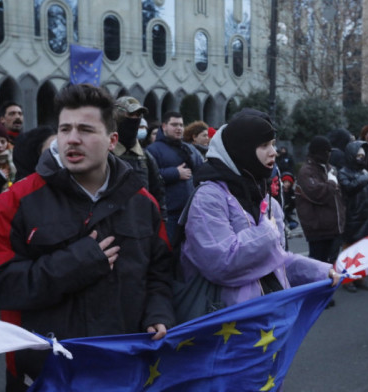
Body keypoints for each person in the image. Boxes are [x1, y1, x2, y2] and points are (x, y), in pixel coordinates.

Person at [0, 84, 174, 391]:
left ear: (112, 140)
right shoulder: (14, 202)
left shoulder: (142, 203)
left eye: (85, 129)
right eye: (65, 128)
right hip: (44, 375)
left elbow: (160, 274)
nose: (72, 138)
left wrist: (158, 313)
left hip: (122, 371)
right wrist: (76, 263)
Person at [180, 112, 340, 308]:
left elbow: (277, 259)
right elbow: (221, 263)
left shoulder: (264, 197)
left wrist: (320, 273)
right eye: (264, 145)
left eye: (272, 143)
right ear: (242, 150)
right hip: (231, 321)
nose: (273, 152)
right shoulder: (209, 197)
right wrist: (267, 232)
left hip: (271, 318)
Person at [147, 111, 204, 241]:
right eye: (174, 124)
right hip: (169, 214)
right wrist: (175, 173)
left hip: (191, 212)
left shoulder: (190, 148)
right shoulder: (153, 150)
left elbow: (201, 171)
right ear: (164, 126)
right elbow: (150, 177)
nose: (179, 128)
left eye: (181, 125)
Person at [295, 135, 346, 265]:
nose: (329, 154)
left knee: (330, 264)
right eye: (326, 151)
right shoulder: (307, 171)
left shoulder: (329, 168)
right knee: (318, 264)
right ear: (318, 152)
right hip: (317, 229)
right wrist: (331, 183)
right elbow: (317, 193)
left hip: (333, 228)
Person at [113, 96, 166, 215]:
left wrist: (161, 222)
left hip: (142, 224)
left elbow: (158, 193)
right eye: (130, 115)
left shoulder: (145, 157)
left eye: (138, 115)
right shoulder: (105, 154)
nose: (135, 119)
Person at [338, 140, 368, 293]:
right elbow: (349, 188)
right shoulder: (343, 172)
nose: (361, 158)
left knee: (363, 252)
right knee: (350, 251)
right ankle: (348, 280)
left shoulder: (365, 172)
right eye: (358, 155)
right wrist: (364, 178)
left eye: (363, 155)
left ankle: (360, 278)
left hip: (367, 217)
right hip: (352, 218)